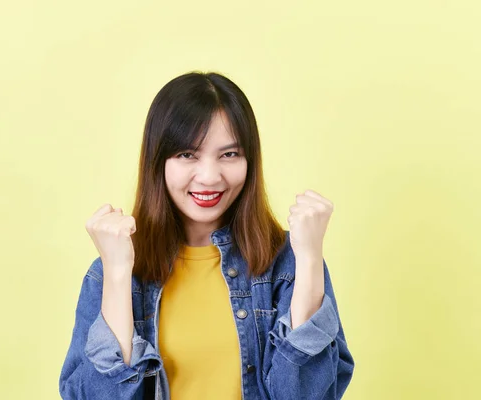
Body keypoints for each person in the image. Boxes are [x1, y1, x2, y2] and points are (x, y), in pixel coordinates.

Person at [59, 71, 355, 399]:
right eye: (188, 155)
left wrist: (310, 258)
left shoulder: (287, 263)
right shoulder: (111, 274)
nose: (210, 176)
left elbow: (305, 395)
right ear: (159, 162)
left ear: (249, 161)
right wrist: (116, 274)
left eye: (229, 154)